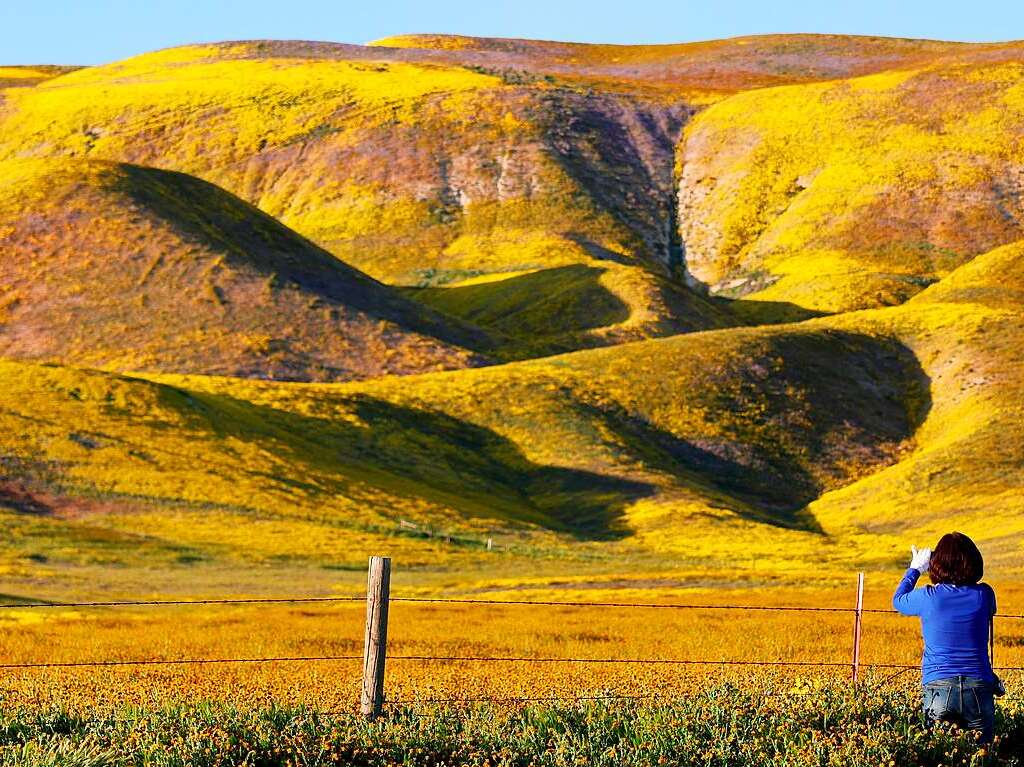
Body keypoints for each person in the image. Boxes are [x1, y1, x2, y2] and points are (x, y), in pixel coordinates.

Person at [893, 532, 998, 743]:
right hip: (978, 686)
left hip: (938, 686)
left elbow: (898, 601)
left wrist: (916, 568)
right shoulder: (984, 594)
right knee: (983, 756)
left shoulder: (928, 597)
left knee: (940, 753)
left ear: (936, 564)